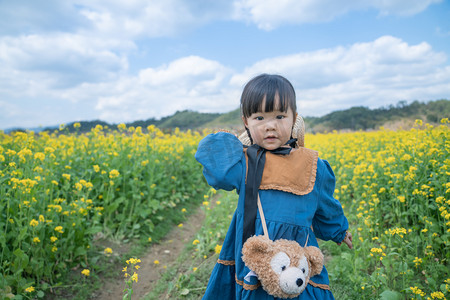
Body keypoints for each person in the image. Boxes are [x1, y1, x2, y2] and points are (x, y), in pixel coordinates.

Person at [195, 74, 352, 299]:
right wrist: (228, 143)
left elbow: (325, 205)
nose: (270, 126)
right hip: (257, 251)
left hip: (297, 252)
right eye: (259, 118)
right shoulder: (244, 163)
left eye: (280, 116)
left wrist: (338, 230)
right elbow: (218, 173)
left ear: (294, 119)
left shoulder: (312, 164)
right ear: (246, 122)